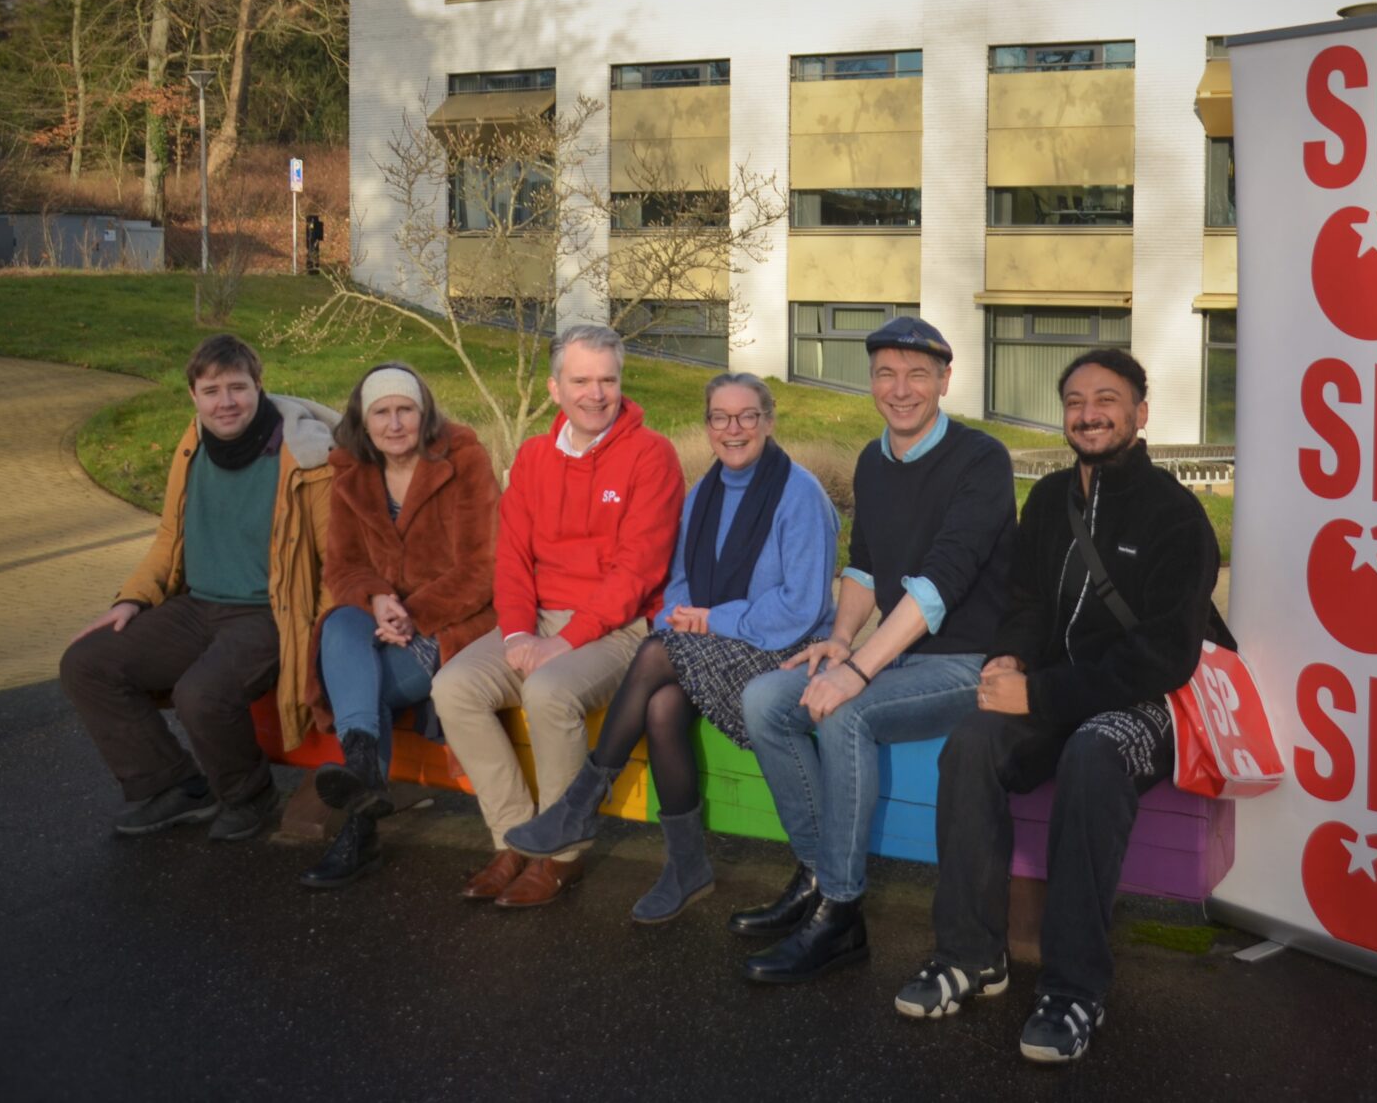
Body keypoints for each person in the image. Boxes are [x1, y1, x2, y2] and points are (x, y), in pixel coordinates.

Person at [893, 347, 1225, 1066]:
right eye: (1075, 399)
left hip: (1145, 703)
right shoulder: (1047, 502)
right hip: (1050, 688)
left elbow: (1168, 656)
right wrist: (1011, 656)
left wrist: (1040, 692)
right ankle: (970, 954)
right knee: (972, 742)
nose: (1089, 412)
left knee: (1093, 751)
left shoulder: (1175, 513)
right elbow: (1025, 603)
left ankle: (1075, 987)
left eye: (1107, 398)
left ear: (1141, 411)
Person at [736, 316, 1015, 983]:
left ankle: (841, 913)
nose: (901, 388)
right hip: (897, 653)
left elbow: (940, 584)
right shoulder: (871, 459)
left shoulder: (983, 459)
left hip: (966, 660)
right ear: (871, 381)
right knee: (765, 699)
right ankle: (816, 872)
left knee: (846, 712)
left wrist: (859, 668)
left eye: (918, 374)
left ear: (946, 380)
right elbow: (863, 569)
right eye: (887, 373)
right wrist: (836, 640)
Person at [504, 373, 839, 923]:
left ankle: (582, 802)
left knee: (659, 650)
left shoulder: (800, 494)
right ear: (707, 426)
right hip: (713, 642)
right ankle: (686, 867)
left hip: (785, 651)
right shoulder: (702, 492)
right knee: (661, 706)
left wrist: (708, 620)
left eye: (747, 416)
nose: (734, 430)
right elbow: (677, 579)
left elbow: (800, 607)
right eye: (720, 418)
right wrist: (684, 616)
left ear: (769, 421)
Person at [429, 324, 685, 909]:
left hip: (618, 631)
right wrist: (518, 632)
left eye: (608, 380)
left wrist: (563, 641)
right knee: (454, 687)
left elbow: (637, 572)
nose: (596, 393)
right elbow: (513, 557)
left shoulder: (652, 456)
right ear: (554, 388)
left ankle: (560, 855)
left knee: (547, 691)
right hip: (536, 620)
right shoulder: (535, 456)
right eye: (581, 381)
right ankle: (515, 840)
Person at [60, 334, 337, 842]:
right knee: (87, 663)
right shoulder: (193, 446)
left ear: (260, 387)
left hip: (267, 614)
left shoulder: (305, 458)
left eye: (237, 388)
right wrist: (132, 598)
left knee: (201, 694)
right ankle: (175, 785)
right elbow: (170, 535)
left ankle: (249, 794)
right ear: (193, 395)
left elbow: (335, 560)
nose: (225, 402)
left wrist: (326, 637)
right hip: (197, 607)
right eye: (211, 391)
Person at [300, 362, 500, 890]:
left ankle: (359, 825)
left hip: (450, 624)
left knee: (354, 688)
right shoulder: (351, 474)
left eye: (405, 410)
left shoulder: (464, 460)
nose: (394, 424)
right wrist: (380, 598)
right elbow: (341, 567)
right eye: (381, 413)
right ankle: (367, 776)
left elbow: (483, 570)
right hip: (380, 621)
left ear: (424, 413)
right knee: (341, 619)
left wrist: (416, 613)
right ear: (363, 424)